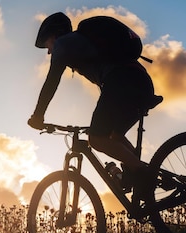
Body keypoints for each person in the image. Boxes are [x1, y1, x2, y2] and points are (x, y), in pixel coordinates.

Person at [28, 12, 160, 199]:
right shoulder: (85, 45)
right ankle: (138, 176)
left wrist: (38, 116)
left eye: (47, 44)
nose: (49, 51)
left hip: (122, 82)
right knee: (113, 136)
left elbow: (51, 82)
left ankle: (143, 174)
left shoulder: (63, 44)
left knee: (96, 139)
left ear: (55, 35)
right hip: (140, 82)